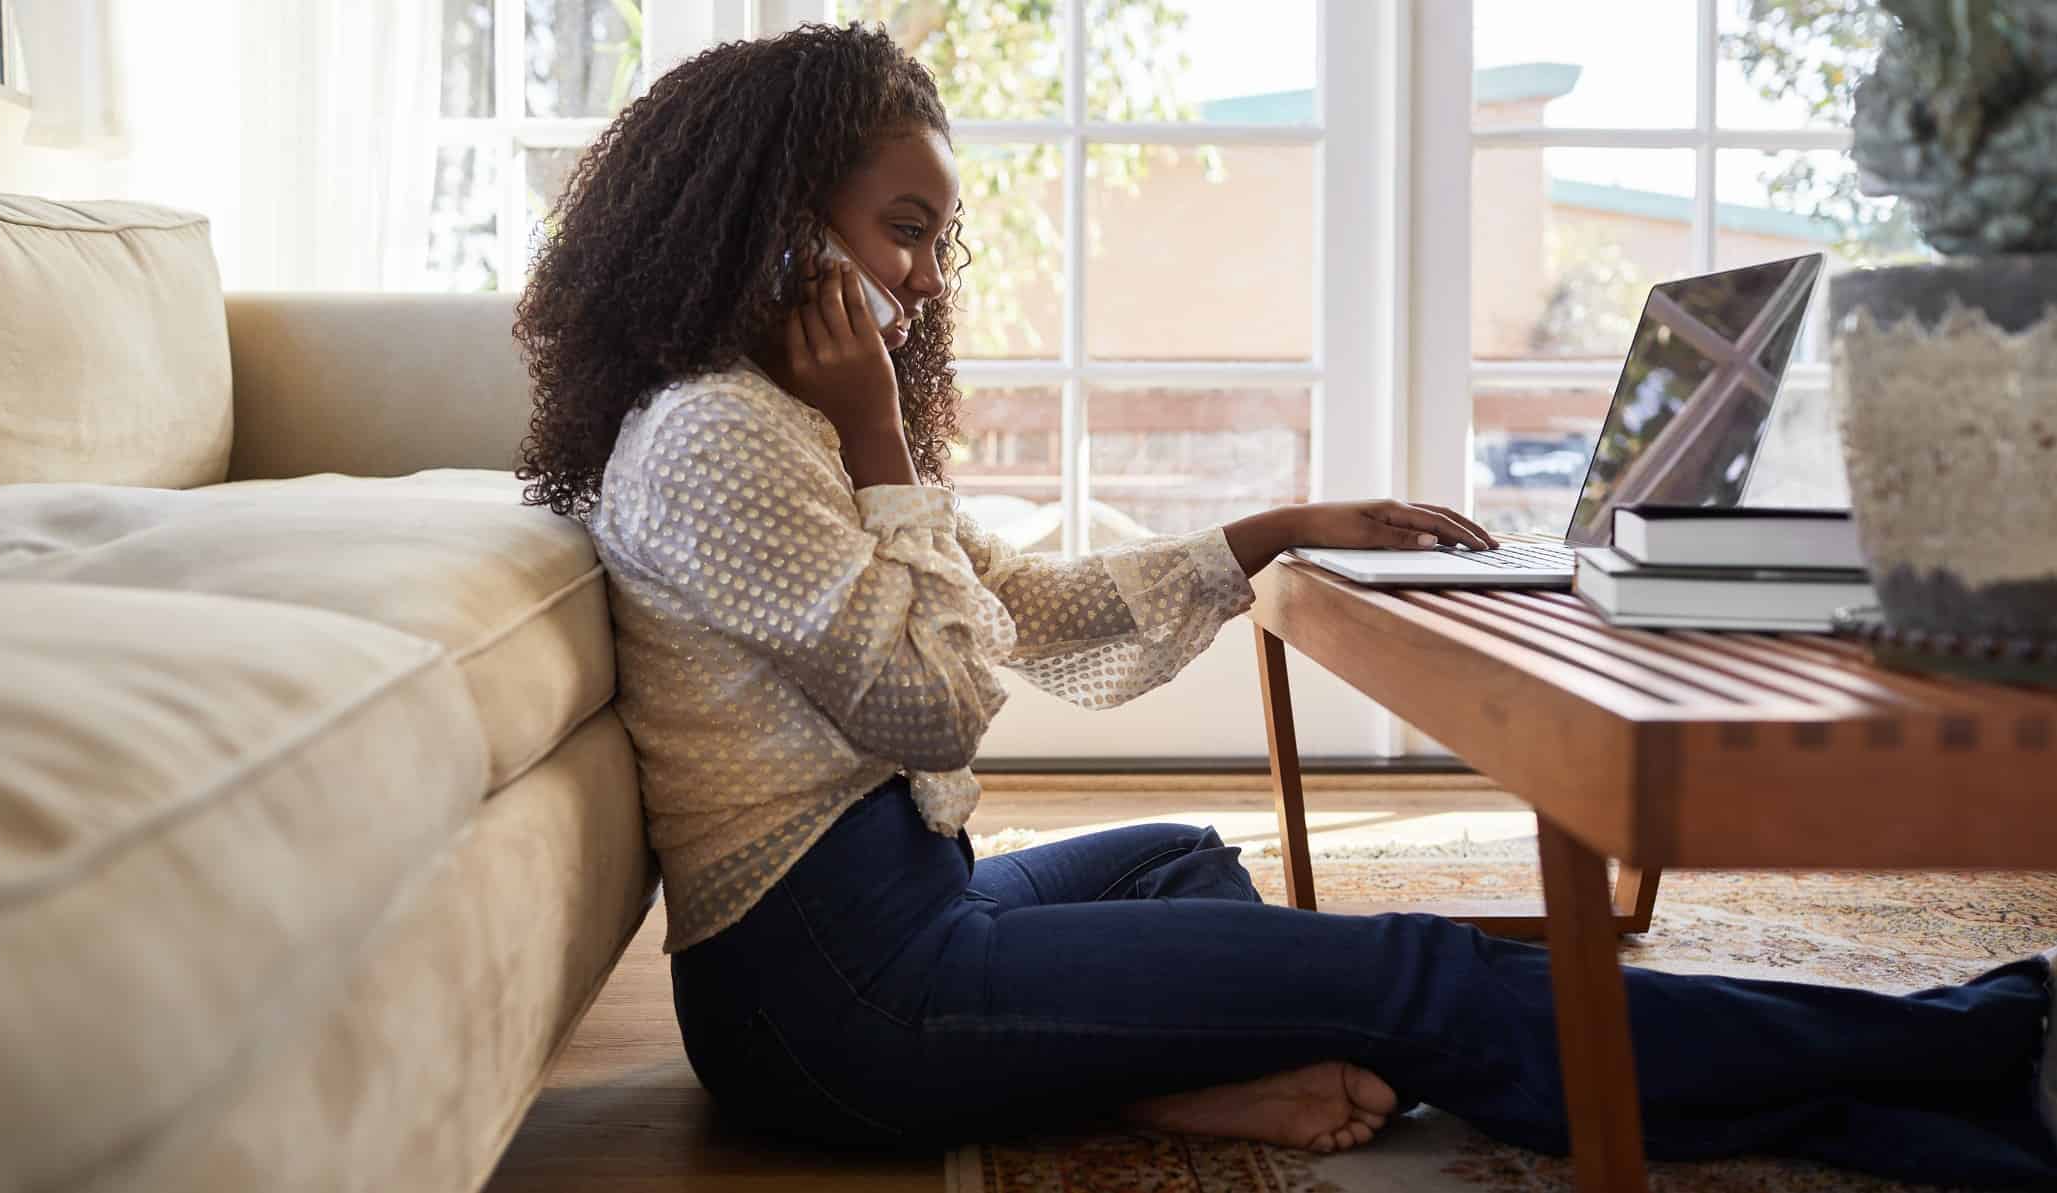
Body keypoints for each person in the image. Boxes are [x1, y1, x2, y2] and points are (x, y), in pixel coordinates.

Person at [512, 22, 2057, 1188]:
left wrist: (1262, 534)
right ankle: (1961, 1050)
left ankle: (1157, 1076)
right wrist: (880, 443)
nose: (919, 280)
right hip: (835, 1001)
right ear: (773, 223)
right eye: (900, 230)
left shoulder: (774, 421)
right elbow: (937, 698)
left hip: (901, 910)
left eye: (932, 239)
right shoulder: (727, 436)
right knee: (1407, 976)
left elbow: (1021, 606)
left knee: (1184, 854)